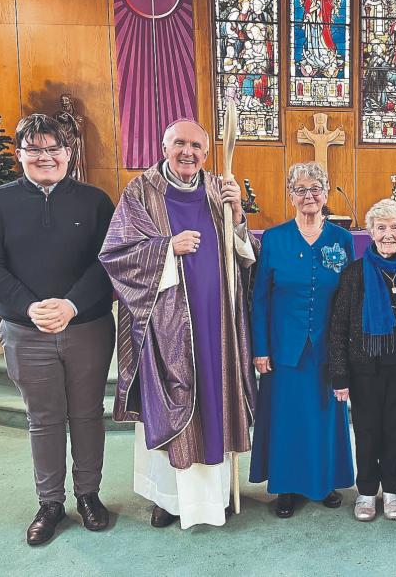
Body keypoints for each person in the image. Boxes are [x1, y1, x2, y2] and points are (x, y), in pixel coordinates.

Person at [99, 119, 258, 530]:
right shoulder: (140, 191)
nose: (188, 152)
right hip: (166, 324)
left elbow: (246, 253)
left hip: (217, 322)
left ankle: (216, 497)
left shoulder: (218, 188)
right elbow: (116, 253)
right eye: (179, 144)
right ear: (164, 145)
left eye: (196, 146)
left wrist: (238, 214)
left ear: (206, 152)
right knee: (172, 402)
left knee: (215, 398)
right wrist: (167, 247)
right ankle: (167, 498)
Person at [0, 114, 115, 545]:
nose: (45, 157)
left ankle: (89, 494)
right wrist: (31, 306)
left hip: (87, 325)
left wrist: (70, 304)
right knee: (44, 419)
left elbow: (110, 260)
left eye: (54, 148)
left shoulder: (95, 201)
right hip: (25, 330)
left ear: (69, 153)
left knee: (88, 414)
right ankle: (50, 502)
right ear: (20, 155)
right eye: (35, 149)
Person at [249, 162, 355, 518]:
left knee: (324, 418)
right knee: (286, 419)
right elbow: (260, 297)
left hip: (329, 348)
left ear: (326, 193)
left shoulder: (342, 240)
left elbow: (351, 297)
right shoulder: (275, 239)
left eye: (315, 188)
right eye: (300, 189)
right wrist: (261, 348)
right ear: (290, 195)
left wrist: (349, 350)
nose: (308, 196)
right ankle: (286, 486)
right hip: (284, 349)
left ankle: (324, 482)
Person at [328, 199, 396, 521]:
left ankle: (393, 492)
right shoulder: (354, 273)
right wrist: (339, 375)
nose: (388, 234)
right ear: (369, 232)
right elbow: (338, 325)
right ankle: (367, 493)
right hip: (364, 369)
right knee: (367, 432)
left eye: (395, 227)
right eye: (381, 228)